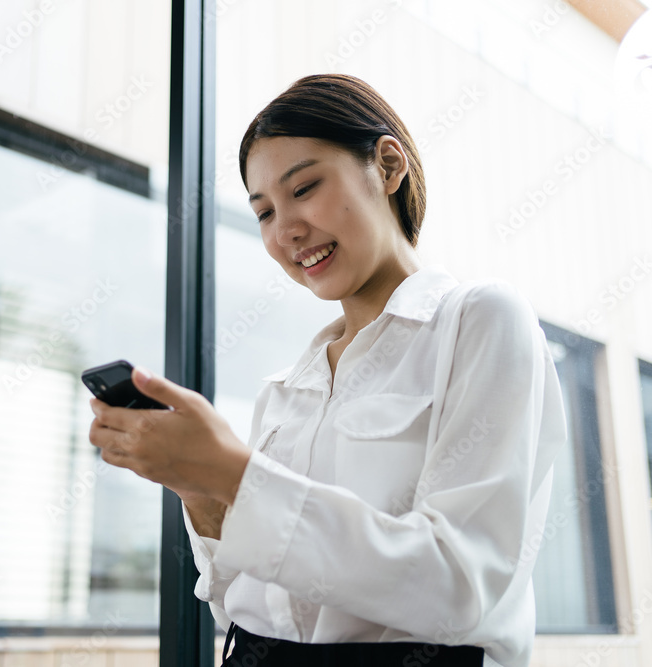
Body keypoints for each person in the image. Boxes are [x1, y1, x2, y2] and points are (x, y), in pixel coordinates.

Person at [87, 73, 567, 667]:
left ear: (388, 166)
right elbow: (237, 596)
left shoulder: (480, 319)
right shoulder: (287, 388)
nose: (286, 229)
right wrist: (196, 484)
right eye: (263, 212)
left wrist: (234, 475)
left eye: (305, 187)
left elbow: (460, 585)